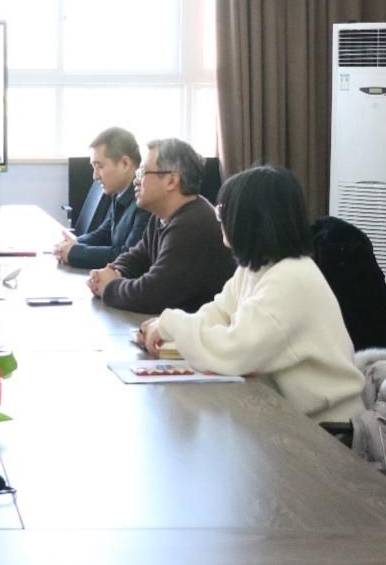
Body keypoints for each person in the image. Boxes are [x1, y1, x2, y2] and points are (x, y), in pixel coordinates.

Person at [139, 166, 364, 422]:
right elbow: (220, 312)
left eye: (223, 211)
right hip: (290, 413)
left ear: (249, 220)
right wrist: (167, 328)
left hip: (327, 429)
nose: (220, 218)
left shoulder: (290, 279)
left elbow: (234, 352)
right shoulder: (256, 267)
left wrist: (172, 325)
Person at [88, 138, 234, 313]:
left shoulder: (192, 225)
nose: (135, 181)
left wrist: (109, 286)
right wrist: (115, 271)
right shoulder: (163, 216)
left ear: (171, 181)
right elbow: (137, 257)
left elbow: (152, 295)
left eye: (142, 173)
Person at [53, 127, 151, 269]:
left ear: (125, 163)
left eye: (99, 166)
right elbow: (104, 234)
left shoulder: (146, 202)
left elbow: (127, 256)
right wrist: (74, 243)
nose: (95, 176)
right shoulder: (119, 193)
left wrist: (74, 253)